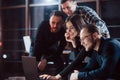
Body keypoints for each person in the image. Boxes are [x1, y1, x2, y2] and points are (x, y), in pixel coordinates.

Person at [40, 24, 120, 80]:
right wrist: (78, 74)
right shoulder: (96, 50)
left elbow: (105, 72)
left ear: (95, 36)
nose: (81, 43)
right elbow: (89, 68)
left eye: (83, 39)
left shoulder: (110, 46)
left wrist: (79, 75)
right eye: (80, 40)